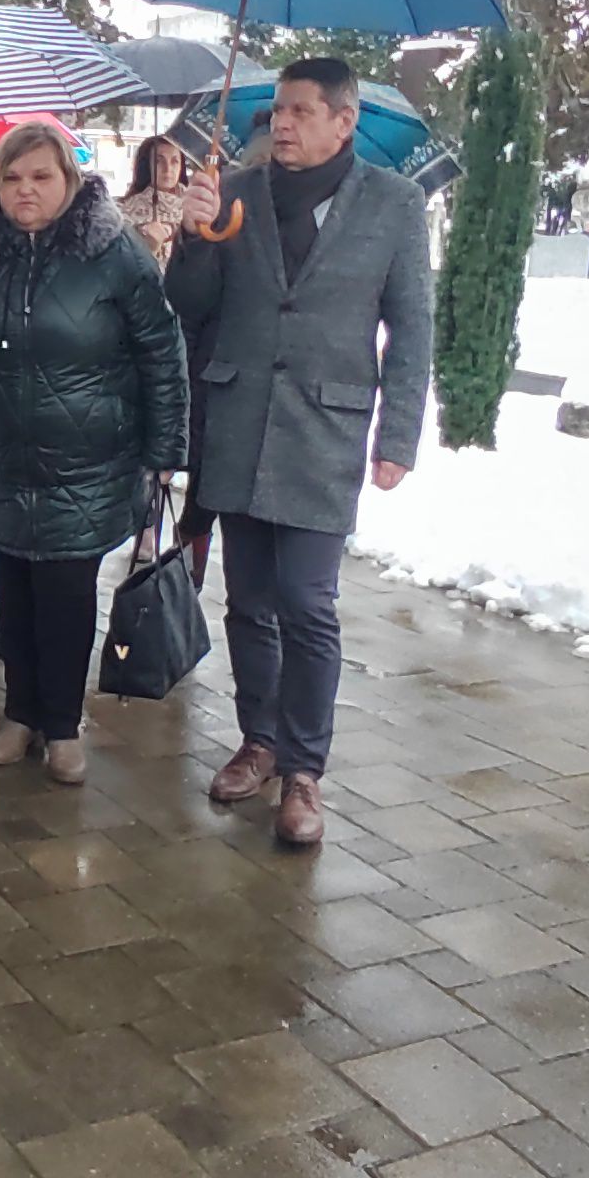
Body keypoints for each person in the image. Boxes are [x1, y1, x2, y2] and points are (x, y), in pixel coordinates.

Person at [166, 56, 433, 851]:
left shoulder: (393, 204)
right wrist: (195, 238)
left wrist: (398, 436)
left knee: (307, 605)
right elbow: (189, 306)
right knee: (249, 601)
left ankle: (304, 771)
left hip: (326, 428)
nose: (281, 123)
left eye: (301, 111)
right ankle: (259, 741)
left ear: (343, 122)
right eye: (278, 110)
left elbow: (411, 326)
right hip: (240, 421)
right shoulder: (235, 191)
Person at [0, 124, 189, 785]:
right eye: (11, 178)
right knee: (13, 592)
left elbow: (161, 350)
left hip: (87, 462)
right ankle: (20, 711)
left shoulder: (114, 253)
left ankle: (62, 725)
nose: (25, 190)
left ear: (68, 179)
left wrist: (166, 447)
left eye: (41, 176)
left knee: (64, 595)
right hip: (1, 457)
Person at [119, 134, 192, 269]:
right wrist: (148, 249)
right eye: (159, 161)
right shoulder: (126, 212)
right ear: (147, 165)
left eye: (174, 161)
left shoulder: (194, 207)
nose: (168, 169)